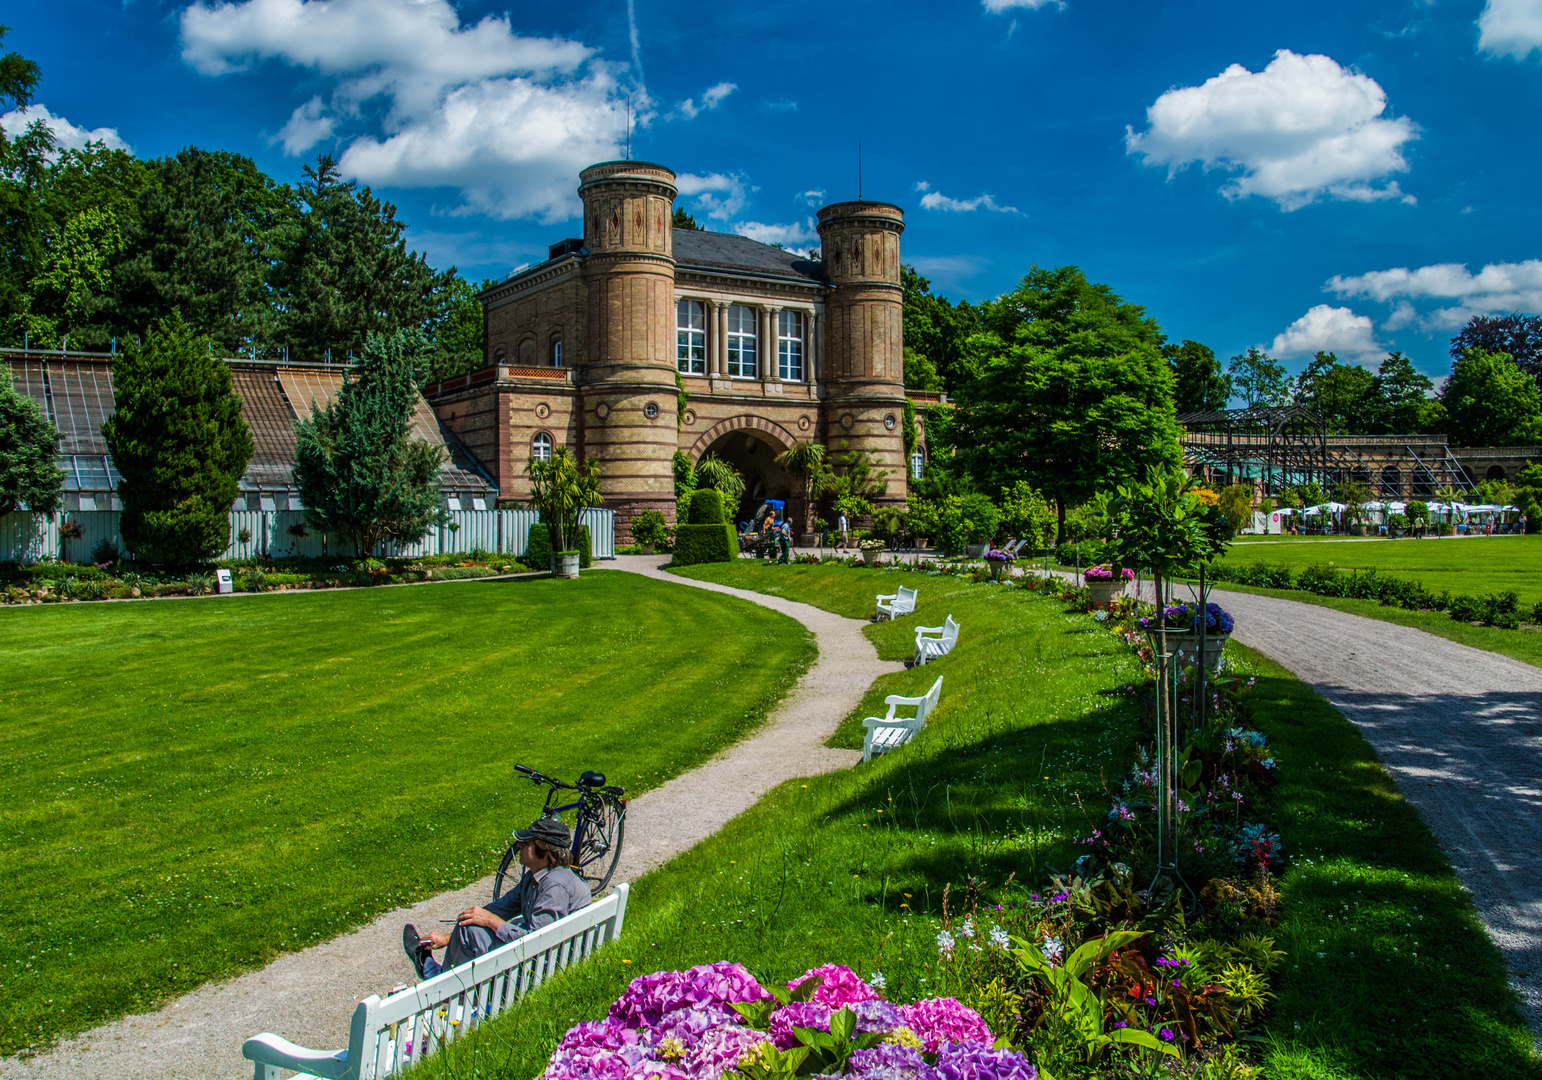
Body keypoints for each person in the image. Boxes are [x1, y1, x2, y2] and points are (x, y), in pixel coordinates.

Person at [402, 817, 590, 980]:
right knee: (471, 923)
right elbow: (498, 908)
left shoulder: (554, 886)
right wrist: (448, 937)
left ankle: (435, 979)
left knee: (470, 930)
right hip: (549, 957)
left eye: (527, 843)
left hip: (543, 968)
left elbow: (537, 941)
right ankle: (437, 975)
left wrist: (491, 921)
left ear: (546, 851)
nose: (519, 846)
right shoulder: (537, 876)